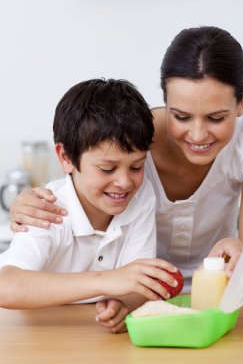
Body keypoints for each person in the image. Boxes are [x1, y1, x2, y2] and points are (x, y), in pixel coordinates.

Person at [10, 26, 243, 298]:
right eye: (181, 116)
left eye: (216, 118)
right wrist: (24, 203)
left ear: (241, 103)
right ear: (164, 101)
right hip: (141, 299)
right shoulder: (131, 141)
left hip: (209, 296)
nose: (198, 135)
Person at [0, 78, 180, 333]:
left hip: (90, 338)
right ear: (66, 158)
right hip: (34, 336)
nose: (124, 182)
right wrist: (106, 281)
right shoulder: (47, 209)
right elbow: (6, 287)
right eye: (107, 168)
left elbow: (136, 284)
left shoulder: (141, 198)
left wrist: (123, 304)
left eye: (137, 166)